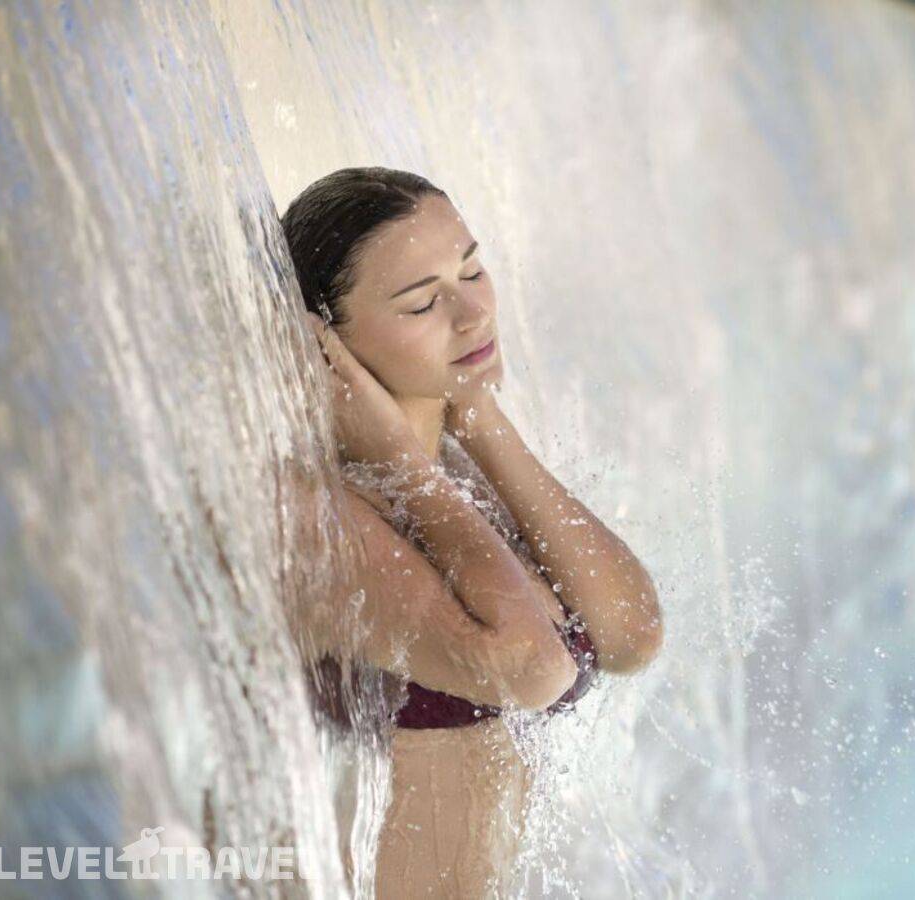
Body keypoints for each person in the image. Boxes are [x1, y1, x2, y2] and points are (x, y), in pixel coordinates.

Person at [280, 167, 663, 898]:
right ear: (326, 345)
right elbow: (531, 667)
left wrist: (480, 417)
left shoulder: (454, 477)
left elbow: (631, 633)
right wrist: (397, 455)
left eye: (473, 270)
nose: (472, 313)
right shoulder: (314, 511)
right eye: (424, 303)